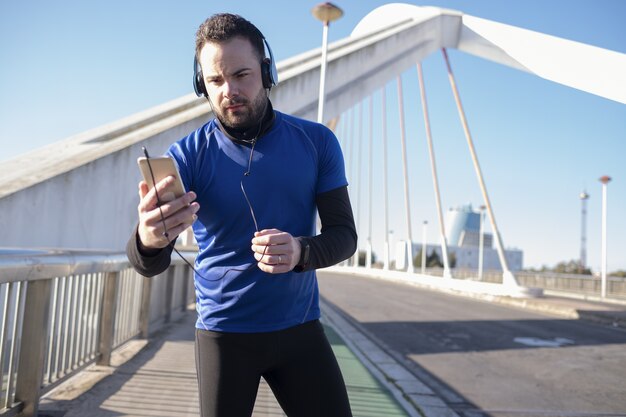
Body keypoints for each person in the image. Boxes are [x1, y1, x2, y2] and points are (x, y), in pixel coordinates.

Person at [126, 13, 356, 417]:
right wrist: (148, 238)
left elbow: (344, 235)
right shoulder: (187, 155)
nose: (229, 90)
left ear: (267, 72)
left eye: (241, 74)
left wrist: (302, 251)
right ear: (202, 84)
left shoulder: (317, 142)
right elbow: (148, 263)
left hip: (300, 329)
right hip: (223, 336)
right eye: (214, 81)